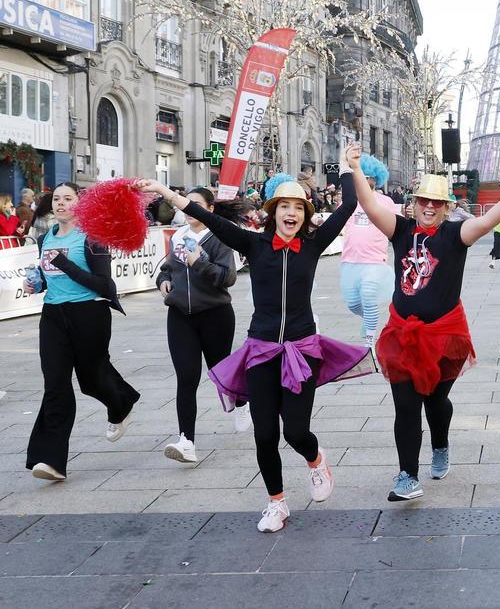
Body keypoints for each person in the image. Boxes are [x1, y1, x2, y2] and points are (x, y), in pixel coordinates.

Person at [136, 155, 371, 534]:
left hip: (301, 351)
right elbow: (207, 216)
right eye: (285, 207)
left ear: (305, 215)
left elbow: (348, 206)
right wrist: (165, 192)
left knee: (295, 431)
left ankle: (315, 460)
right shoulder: (252, 244)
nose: (291, 213)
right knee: (264, 435)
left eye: (298, 208)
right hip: (260, 351)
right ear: (274, 212)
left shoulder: (313, 244)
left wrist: (348, 168)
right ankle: (276, 503)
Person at [350, 153, 500, 504]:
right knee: (406, 405)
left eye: (436, 203)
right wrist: (355, 169)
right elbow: (369, 205)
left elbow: (489, 221)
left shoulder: (454, 234)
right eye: (423, 202)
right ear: (414, 204)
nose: (429, 208)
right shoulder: (401, 230)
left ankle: (441, 444)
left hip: (445, 335)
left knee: (435, 401)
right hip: (402, 334)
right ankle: (407, 476)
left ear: (446, 208)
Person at [24, 183, 141, 482]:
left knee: (91, 380)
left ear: (80, 203)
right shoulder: (44, 238)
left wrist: (63, 264)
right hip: (53, 316)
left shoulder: (92, 238)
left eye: (68, 199)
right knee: (55, 383)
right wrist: (37, 284)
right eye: (57, 199)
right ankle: (50, 460)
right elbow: (50, 280)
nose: (61, 203)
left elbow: (105, 286)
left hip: (89, 314)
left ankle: (121, 403)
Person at [157, 188, 248, 464]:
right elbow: (167, 268)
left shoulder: (219, 236)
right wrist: (162, 281)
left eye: (195, 205)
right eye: (186, 204)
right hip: (180, 315)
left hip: (215, 314)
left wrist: (200, 262)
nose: (188, 209)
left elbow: (227, 278)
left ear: (209, 209)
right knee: (186, 378)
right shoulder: (178, 237)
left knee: (221, 372)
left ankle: (242, 401)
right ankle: (186, 441)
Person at [340, 154, 398, 347]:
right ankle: (370, 319)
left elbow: (398, 225)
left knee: (369, 294)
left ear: (376, 179)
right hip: (350, 260)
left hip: (375, 260)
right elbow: (337, 222)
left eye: (370, 177)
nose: (366, 180)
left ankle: (369, 343)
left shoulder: (386, 201)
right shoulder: (348, 201)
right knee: (353, 303)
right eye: (362, 176)